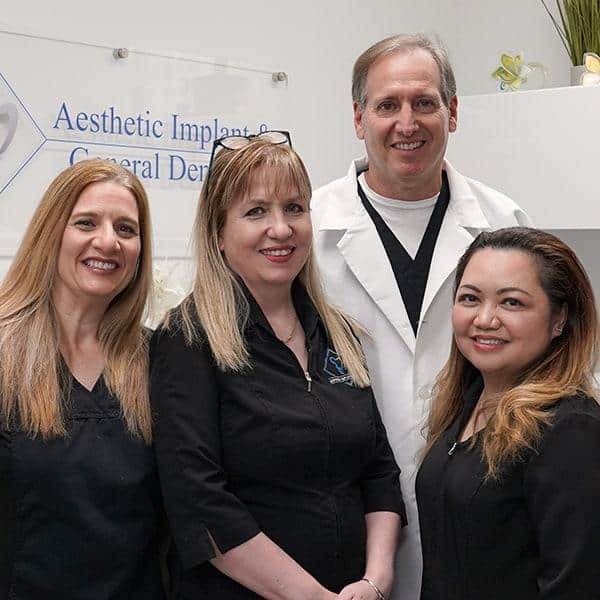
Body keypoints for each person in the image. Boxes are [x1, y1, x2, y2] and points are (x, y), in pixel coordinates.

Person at [310, 33, 531, 598]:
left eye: (424, 103)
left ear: (453, 113)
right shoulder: (306, 229)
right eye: (387, 105)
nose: (407, 122)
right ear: (359, 119)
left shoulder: (504, 221)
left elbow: (548, 363)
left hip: (477, 507)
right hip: (345, 515)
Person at [150, 132, 406, 600]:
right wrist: (311, 597)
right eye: (255, 212)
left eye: (294, 208)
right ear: (217, 235)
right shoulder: (187, 339)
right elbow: (200, 502)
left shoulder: (339, 334)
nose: (281, 229)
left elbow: (379, 471)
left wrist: (376, 579)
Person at [0, 159, 165, 599]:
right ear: (51, 233)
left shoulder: (158, 362)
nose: (107, 241)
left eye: (126, 230)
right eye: (86, 222)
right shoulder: (5, 354)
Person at [417, 227, 600, 599]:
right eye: (470, 298)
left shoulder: (569, 429)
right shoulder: (466, 406)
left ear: (560, 318)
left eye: (511, 302)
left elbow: (576, 585)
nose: (485, 319)